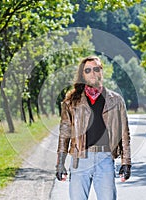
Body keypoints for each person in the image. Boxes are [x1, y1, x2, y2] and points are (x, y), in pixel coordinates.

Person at [55, 55, 131, 200]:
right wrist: (60, 163)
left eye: (96, 69)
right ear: (82, 75)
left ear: (101, 71)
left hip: (105, 159)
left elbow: (124, 134)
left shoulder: (115, 100)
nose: (93, 73)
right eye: (88, 70)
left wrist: (126, 163)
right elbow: (64, 134)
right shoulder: (71, 102)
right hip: (80, 160)